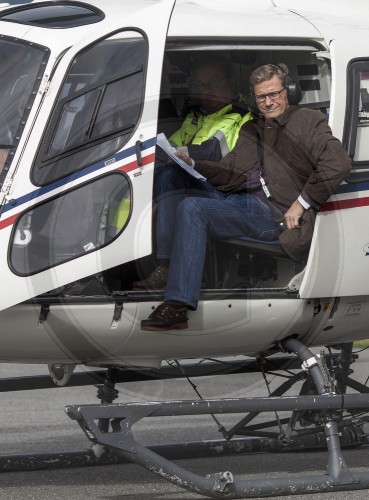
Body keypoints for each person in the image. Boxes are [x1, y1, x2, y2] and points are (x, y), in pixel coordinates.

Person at [140, 63, 351, 331]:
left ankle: (178, 305)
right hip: (240, 201)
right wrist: (192, 163)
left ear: (288, 92)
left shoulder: (308, 120)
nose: (269, 102)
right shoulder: (253, 129)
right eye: (262, 97)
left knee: (193, 207)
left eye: (274, 94)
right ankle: (167, 266)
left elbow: (338, 163)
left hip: (274, 213)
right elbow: (231, 172)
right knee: (171, 175)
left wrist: (302, 203)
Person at [133, 55, 252, 291]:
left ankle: (166, 266)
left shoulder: (241, 116)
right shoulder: (195, 117)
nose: (205, 90)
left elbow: (213, 151)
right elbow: (169, 145)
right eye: (199, 85)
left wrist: (175, 154)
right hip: (191, 182)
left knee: (168, 176)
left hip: (223, 191)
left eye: (211, 83)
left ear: (231, 83)